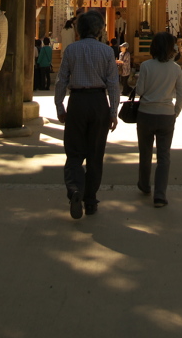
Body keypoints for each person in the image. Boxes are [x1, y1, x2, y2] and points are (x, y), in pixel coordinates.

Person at [55, 11, 119, 220]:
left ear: (78, 30)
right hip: (99, 102)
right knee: (95, 154)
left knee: (74, 152)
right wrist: (113, 111)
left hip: (78, 101)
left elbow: (61, 80)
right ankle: (90, 200)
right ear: (100, 30)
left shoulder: (71, 50)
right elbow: (113, 84)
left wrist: (60, 106)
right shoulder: (107, 52)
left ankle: (75, 189)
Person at [135, 31, 182, 208]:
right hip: (166, 114)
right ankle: (160, 195)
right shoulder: (176, 68)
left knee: (145, 152)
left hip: (146, 114)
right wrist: (175, 112)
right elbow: (181, 95)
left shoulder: (146, 66)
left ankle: (144, 184)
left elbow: (139, 90)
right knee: (164, 156)